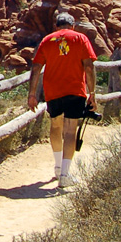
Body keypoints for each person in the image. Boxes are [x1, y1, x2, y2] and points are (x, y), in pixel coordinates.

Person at [27, 11, 97, 187]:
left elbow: (36, 68)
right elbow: (89, 67)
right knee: (70, 130)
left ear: (56, 26)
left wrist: (32, 94)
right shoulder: (80, 39)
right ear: (72, 26)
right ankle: (65, 174)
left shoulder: (47, 40)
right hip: (75, 90)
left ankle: (58, 167)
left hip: (53, 91)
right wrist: (93, 93)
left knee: (55, 125)